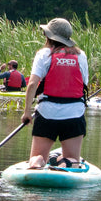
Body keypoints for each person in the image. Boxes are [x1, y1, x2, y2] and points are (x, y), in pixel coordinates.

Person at [20, 18, 88, 169]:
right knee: (72, 159)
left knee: (38, 156)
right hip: (74, 115)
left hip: (46, 114)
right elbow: (84, 84)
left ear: (49, 36)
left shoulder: (44, 54)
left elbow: (32, 84)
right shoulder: (81, 55)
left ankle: (37, 162)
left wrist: (26, 112)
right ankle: (67, 162)